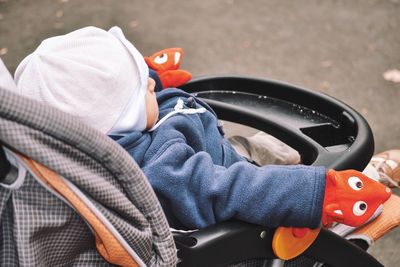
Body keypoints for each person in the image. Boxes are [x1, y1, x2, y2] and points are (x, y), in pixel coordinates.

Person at [13, 26, 392, 230]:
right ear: (120, 119)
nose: (149, 84)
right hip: (228, 181)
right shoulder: (160, 171)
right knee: (272, 174)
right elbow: (227, 190)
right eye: (140, 87)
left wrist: (151, 78)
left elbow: (98, 104)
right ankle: (370, 180)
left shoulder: (103, 133)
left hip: (214, 147)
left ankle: (269, 152)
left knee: (257, 147)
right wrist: (313, 196)